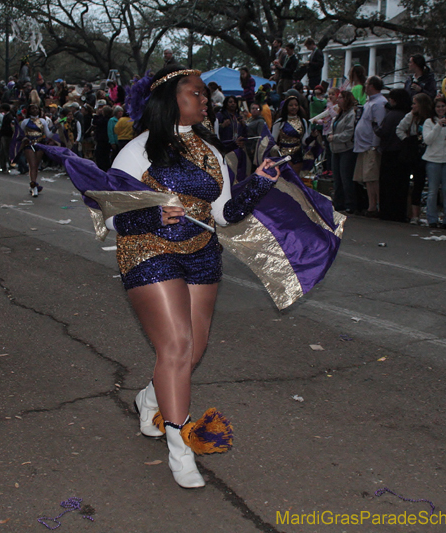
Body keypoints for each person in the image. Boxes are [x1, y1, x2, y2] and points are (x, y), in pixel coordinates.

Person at [61, 66, 284, 488]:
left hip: (202, 254)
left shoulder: (212, 151)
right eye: (196, 93)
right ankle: (179, 449)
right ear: (168, 99)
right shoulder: (137, 151)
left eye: (205, 95)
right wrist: (151, 213)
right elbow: (108, 215)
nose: (205, 100)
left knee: (192, 352)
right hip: (148, 251)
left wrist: (259, 183)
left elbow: (225, 215)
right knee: (178, 346)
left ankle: (149, 397)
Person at [374, 89, 411, 222]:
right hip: (402, 152)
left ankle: (387, 211)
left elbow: (384, 132)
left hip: (390, 152)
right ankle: (399, 212)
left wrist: (375, 127)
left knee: (388, 184)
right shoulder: (406, 114)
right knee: (400, 185)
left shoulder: (392, 115)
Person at [421, 96, 446, 228]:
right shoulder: (428, 122)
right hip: (433, 159)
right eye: (438, 107)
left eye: (443, 106)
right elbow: (427, 140)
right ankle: (432, 219)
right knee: (432, 190)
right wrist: (438, 126)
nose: (441, 109)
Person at [353, 76, 387, 216]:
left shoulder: (379, 103)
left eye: (366, 84)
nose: (364, 87)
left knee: (372, 177)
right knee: (366, 178)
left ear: (372, 86)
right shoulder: (369, 102)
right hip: (363, 146)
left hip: (370, 147)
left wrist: (374, 145)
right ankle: (370, 205)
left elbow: (378, 125)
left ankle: (376, 206)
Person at [397, 93, 432, 225]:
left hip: (428, 152)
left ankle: (426, 214)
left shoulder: (430, 118)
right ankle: (414, 214)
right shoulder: (411, 117)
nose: (413, 106)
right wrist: (408, 141)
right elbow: (399, 129)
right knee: (415, 183)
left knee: (423, 183)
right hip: (414, 153)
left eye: (415, 103)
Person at [329, 90, 358, 213]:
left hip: (346, 148)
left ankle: (350, 203)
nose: (338, 100)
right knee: (337, 177)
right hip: (335, 149)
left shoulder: (351, 114)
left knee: (346, 177)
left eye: (340, 98)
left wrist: (334, 137)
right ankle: (338, 201)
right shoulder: (340, 114)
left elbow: (348, 133)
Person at [20, 103, 55, 197]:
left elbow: (48, 135)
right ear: (29, 110)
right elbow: (20, 133)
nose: (35, 110)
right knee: (32, 165)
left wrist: (56, 128)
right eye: (32, 109)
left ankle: (33, 183)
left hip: (40, 144)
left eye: (36, 108)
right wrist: (24, 140)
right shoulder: (25, 121)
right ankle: (34, 185)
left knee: (36, 165)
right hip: (29, 145)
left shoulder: (43, 121)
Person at [272, 95, 309, 176]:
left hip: (298, 155)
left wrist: (313, 137)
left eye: (296, 105)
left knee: (296, 180)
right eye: (291, 105)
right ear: (286, 107)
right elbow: (273, 139)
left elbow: (305, 140)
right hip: (283, 155)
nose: (294, 107)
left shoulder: (303, 121)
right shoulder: (280, 122)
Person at [0, 104, 14, 173]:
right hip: (6, 135)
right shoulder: (8, 116)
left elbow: (8, 128)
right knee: (3, 152)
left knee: (6, 151)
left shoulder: (8, 117)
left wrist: (1, 130)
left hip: (6, 136)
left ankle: (8, 166)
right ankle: (3, 166)